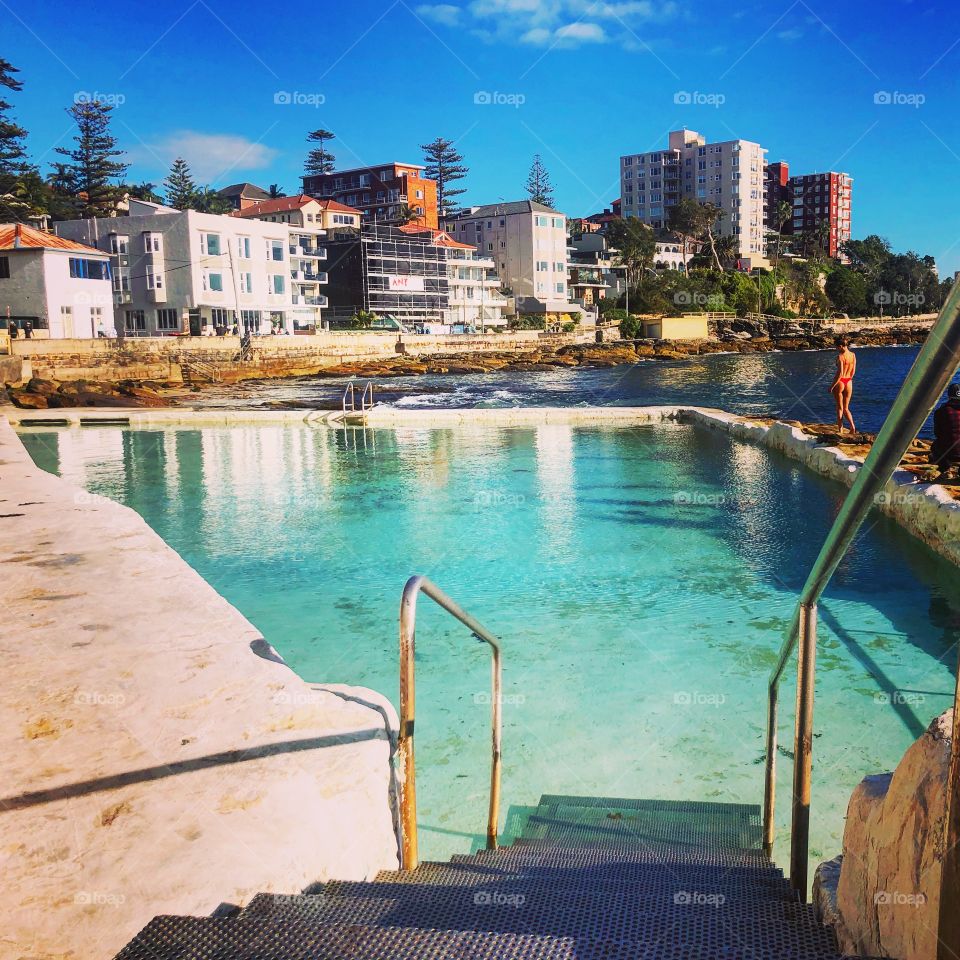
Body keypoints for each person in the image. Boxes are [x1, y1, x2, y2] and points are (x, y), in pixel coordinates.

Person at [830, 337, 857, 434]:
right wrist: (849, 379)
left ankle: (840, 429)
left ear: (841, 346)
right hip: (849, 381)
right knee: (846, 408)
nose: (836, 349)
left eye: (837, 347)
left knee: (839, 408)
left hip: (840, 382)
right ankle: (852, 426)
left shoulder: (840, 356)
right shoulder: (853, 355)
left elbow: (840, 373)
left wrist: (832, 386)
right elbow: (853, 371)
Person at [932, 383, 960, 476]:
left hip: (949, 453)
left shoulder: (941, 411)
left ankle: (944, 466)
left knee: (934, 446)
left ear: (949, 395)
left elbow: (937, 433)